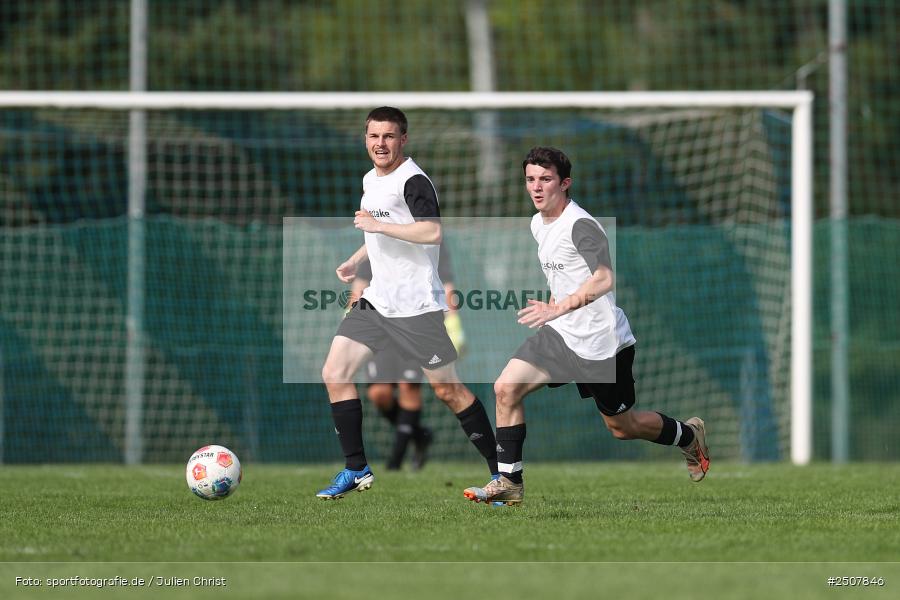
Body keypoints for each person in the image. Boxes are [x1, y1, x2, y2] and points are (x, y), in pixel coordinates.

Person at [463, 147, 710, 506]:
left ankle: (688, 435)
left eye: (545, 179)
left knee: (622, 428)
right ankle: (509, 481)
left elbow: (604, 279)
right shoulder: (537, 223)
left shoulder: (581, 225)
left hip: (602, 343)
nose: (536, 187)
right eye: (531, 179)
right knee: (505, 388)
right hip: (562, 334)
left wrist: (558, 307)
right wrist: (556, 310)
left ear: (565, 183)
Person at [317, 106, 497, 499]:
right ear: (365, 139)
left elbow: (431, 231)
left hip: (416, 306)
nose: (380, 144)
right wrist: (358, 257)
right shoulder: (370, 178)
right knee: (334, 371)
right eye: (373, 136)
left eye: (389, 136)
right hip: (378, 300)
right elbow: (380, 230)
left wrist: (377, 225)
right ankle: (356, 468)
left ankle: (502, 474)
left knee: (448, 391)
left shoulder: (413, 180)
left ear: (403, 140)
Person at [349, 244, 465, 471]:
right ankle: (419, 437)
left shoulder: (430, 238)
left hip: (417, 326)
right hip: (381, 328)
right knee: (378, 393)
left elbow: (446, 286)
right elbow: (360, 285)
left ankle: (395, 462)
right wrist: (352, 322)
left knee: (408, 388)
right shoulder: (377, 237)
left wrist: (454, 325)